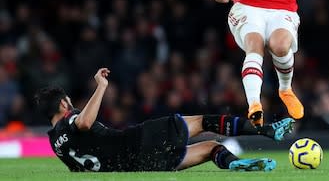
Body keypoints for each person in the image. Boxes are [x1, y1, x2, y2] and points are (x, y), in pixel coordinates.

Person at [34, 68, 295, 172]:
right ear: (63, 104)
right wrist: (101, 86)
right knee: (205, 122)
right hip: (139, 140)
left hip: (140, 167)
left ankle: (239, 164)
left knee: (210, 149)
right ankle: (268, 130)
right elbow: (83, 123)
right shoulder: (71, 118)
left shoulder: (56, 144)